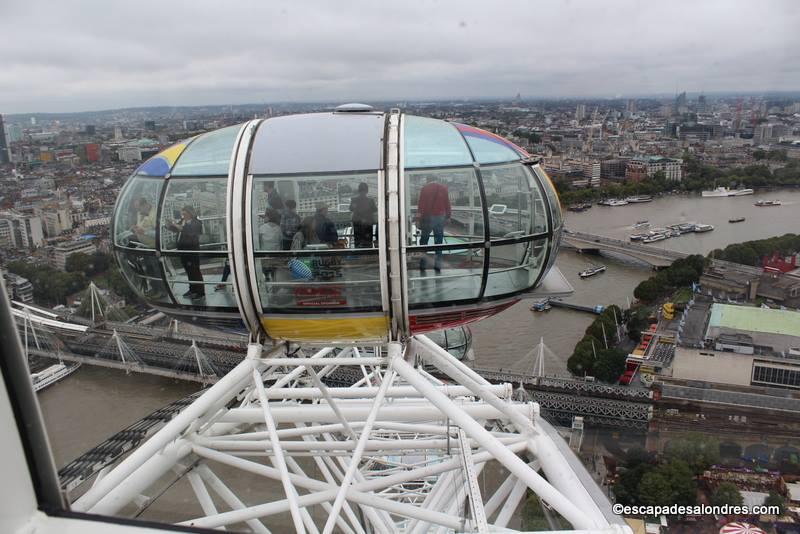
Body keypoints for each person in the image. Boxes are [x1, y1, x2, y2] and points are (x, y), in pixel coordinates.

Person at [166, 205, 205, 299]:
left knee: (195, 271)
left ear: (190, 213)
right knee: (188, 271)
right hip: (183, 250)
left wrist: (176, 225)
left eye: (185, 213)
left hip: (192, 250)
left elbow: (189, 232)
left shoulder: (197, 223)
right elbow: (176, 229)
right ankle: (192, 289)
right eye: (182, 213)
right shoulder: (183, 221)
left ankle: (200, 292)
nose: (183, 215)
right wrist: (169, 225)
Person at [416, 175, 451, 271]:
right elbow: (447, 203)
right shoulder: (443, 188)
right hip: (440, 217)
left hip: (427, 217)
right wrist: (448, 216)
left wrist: (418, 219)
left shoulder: (425, 189)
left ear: (428, 180)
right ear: (436, 179)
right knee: (438, 242)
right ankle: (438, 265)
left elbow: (421, 205)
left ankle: (423, 265)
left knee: (424, 242)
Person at [349, 182, 377, 248]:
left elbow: (351, 209)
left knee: (358, 242)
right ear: (367, 191)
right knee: (368, 242)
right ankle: (367, 254)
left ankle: (359, 253)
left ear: (359, 190)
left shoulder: (354, 200)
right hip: (368, 224)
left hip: (357, 224)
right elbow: (375, 209)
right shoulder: (370, 200)